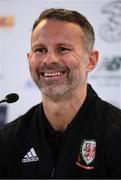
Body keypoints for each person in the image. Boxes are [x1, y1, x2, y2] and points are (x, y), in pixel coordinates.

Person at [0, 8, 121, 179]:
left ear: (91, 60)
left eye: (63, 49)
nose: (49, 60)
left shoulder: (115, 134)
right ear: (29, 59)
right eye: (40, 50)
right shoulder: (8, 139)